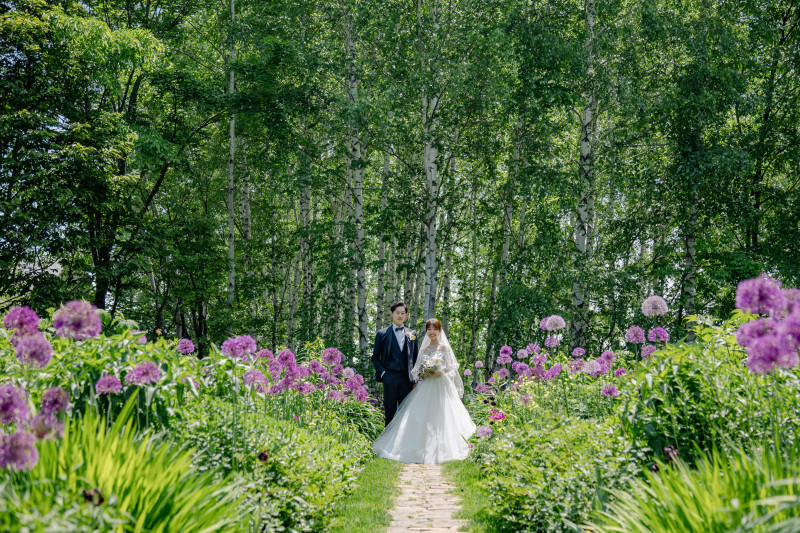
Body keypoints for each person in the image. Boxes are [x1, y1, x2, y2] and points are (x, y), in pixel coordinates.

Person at [372, 318, 476, 464]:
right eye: (429, 329)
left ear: (440, 331)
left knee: (442, 416)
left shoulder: (444, 348)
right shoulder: (424, 349)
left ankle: (444, 447)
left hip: (441, 385)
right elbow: (417, 368)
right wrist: (424, 373)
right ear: (426, 332)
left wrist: (439, 371)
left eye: (435, 329)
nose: (432, 332)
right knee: (420, 416)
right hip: (426, 385)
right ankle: (419, 447)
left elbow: (450, 367)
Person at [371, 301, 420, 426]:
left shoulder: (412, 334)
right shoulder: (382, 334)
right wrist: (383, 373)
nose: (400, 315)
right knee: (389, 414)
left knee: (406, 414)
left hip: (407, 380)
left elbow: (416, 358)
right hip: (389, 378)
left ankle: (405, 444)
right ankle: (387, 445)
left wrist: (416, 380)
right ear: (391, 314)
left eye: (402, 313)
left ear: (406, 315)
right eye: (397, 313)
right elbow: (375, 357)